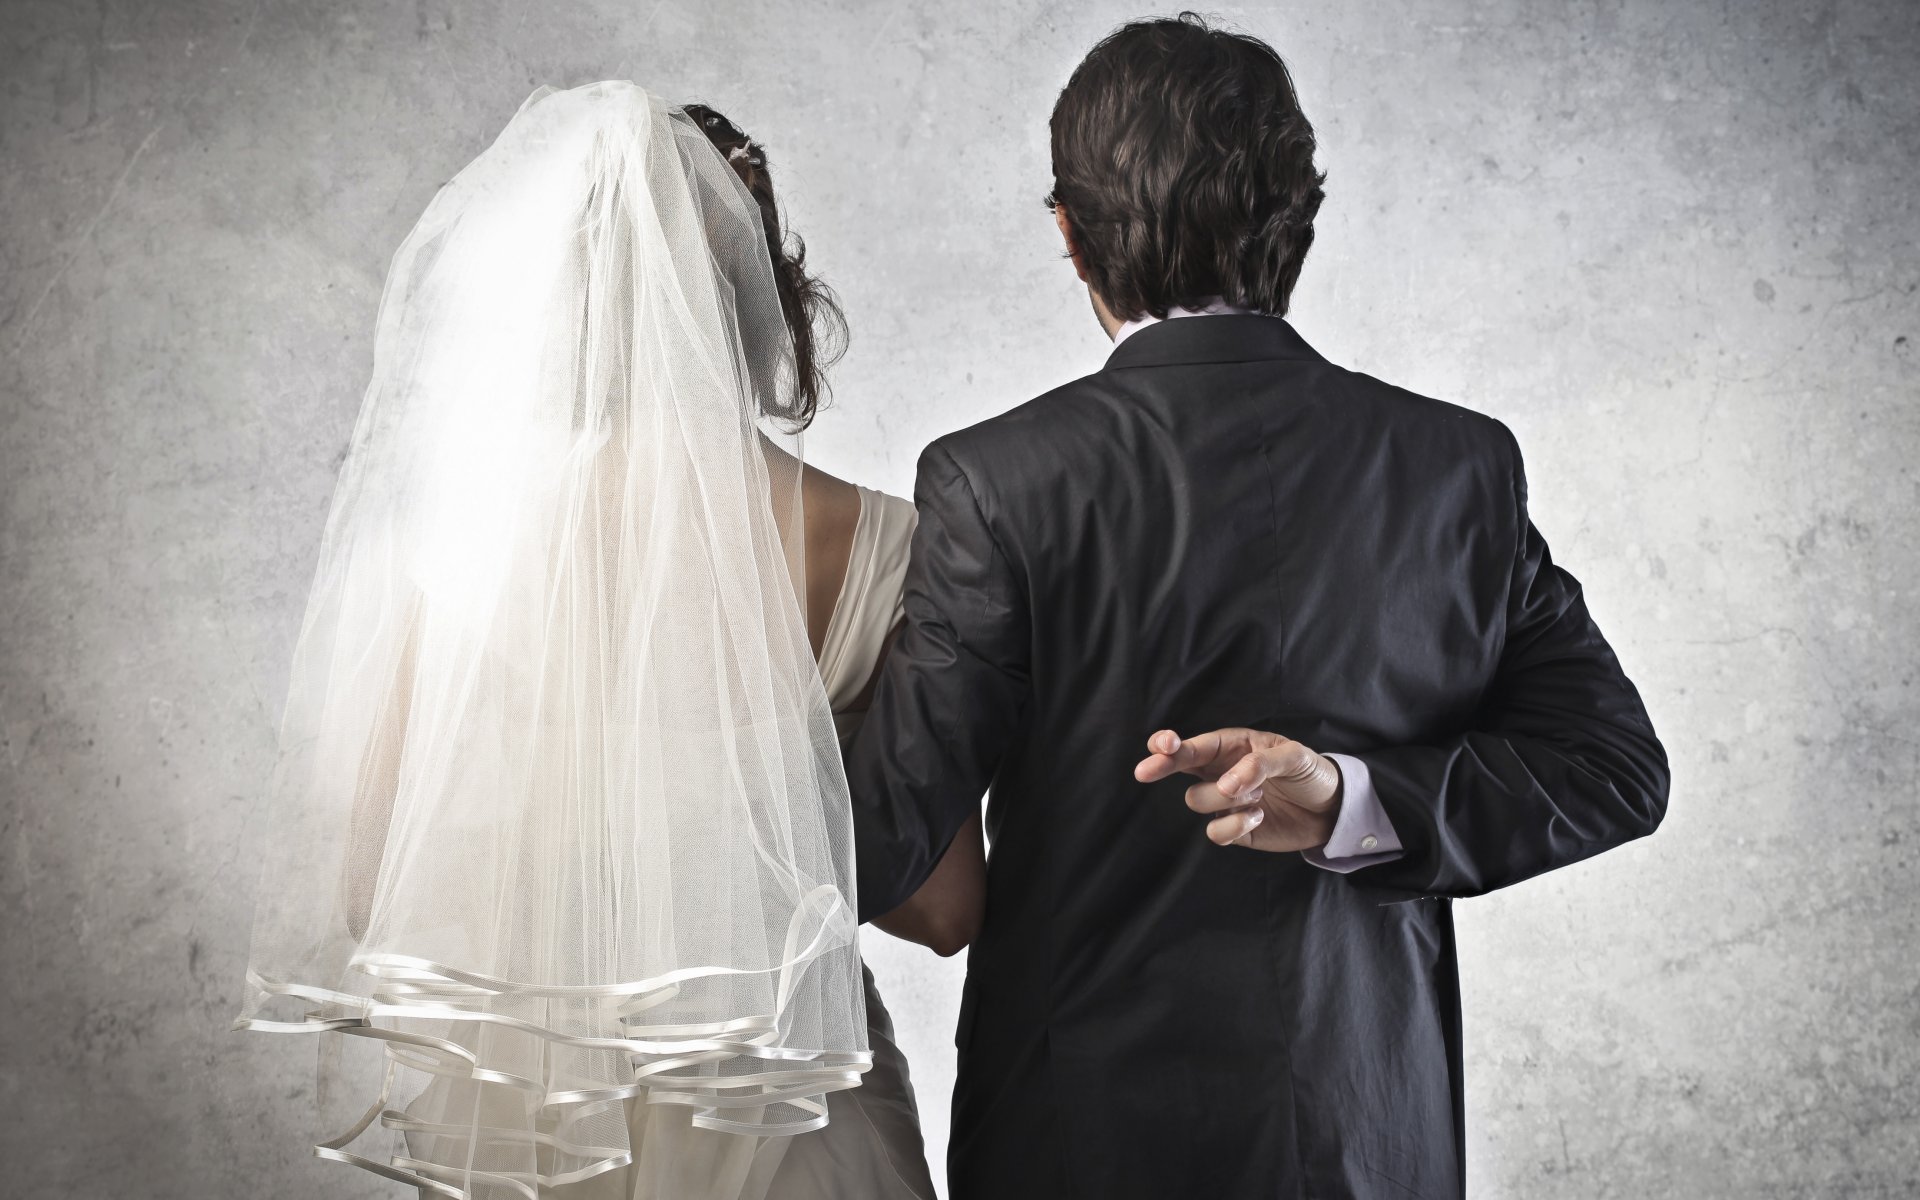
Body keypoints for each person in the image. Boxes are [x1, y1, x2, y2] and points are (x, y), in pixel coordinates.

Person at [844, 15, 1670, 1199]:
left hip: (1074, 1144)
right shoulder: (1457, 466)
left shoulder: (995, 481)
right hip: (1367, 1138)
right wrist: (1353, 800)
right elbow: (1612, 768)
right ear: (1300, 219)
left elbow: (881, 845)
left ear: (1070, 234)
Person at [235, 82, 978, 1200]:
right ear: (761, 293)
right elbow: (946, 912)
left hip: (548, 1131)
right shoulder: (883, 542)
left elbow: (368, 888)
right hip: (796, 1127)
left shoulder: (464, 548)